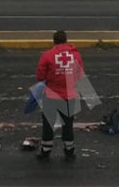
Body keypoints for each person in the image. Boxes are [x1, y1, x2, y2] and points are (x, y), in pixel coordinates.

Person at [34, 30, 84, 160]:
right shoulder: (76, 55)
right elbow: (79, 75)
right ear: (66, 40)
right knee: (68, 124)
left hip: (51, 95)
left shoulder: (47, 55)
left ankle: (46, 150)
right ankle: (69, 149)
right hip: (70, 95)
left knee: (48, 124)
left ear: (54, 41)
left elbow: (40, 76)